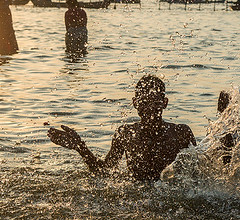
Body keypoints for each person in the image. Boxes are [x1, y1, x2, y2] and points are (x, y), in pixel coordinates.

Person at [48, 75, 196, 181]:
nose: (149, 108)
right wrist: (80, 148)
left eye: (155, 102)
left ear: (165, 103)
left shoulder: (180, 133)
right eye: (144, 102)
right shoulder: (125, 134)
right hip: (138, 198)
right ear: (135, 103)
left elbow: (202, 173)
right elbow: (104, 172)